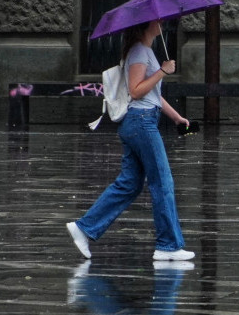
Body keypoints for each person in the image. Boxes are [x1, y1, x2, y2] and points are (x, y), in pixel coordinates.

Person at [67, 20, 194, 261]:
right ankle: (168, 246)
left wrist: (177, 118)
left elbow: (153, 93)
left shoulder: (143, 51)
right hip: (141, 122)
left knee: (129, 184)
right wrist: (162, 71)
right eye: (158, 21)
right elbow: (136, 91)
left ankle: (84, 228)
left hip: (140, 121)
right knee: (162, 181)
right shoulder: (139, 51)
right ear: (147, 25)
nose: (162, 23)